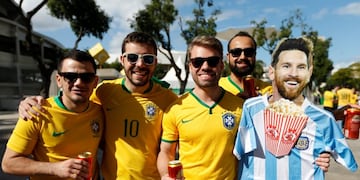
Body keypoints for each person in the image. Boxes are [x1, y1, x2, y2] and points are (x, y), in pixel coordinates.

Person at [17, 32, 179, 179]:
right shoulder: (105, 91)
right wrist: (30, 102)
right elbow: (74, 100)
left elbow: (173, 147)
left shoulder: (169, 99)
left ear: (155, 63)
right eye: (132, 57)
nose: (140, 64)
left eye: (148, 58)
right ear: (122, 60)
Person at [233, 37, 358, 179]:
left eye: (301, 67)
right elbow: (236, 155)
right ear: (272, 72)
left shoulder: (324, 120)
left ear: (309, 73)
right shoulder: (251, 108)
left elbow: (347, 160)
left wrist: (320, 154)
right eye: (286, 66)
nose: (294, 73)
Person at [2, 50, 104, 180]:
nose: (78, 83)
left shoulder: (100, 112)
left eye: (86, 77)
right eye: (70, 76)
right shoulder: (37, 112)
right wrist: (55, 168)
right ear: (59, 80)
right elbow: (9, 163)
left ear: (95, 82)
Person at [157, 35, 244, 179]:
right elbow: (166, 152)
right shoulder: (175, 109)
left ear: (221, 65)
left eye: (212, 61)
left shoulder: (240, 107)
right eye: (197, 62)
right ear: (190, 66)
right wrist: (166, 175)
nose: (205, 67)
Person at [219, 31, 272, 99]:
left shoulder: (268, 91)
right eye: (236, 52)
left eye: (248, 52)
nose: (243, 57)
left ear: (254, 56)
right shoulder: (216, 88)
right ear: (228, 57)